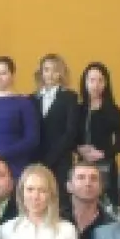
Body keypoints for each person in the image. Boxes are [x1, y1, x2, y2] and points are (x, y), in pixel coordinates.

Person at [0, 57, 40, 180]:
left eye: (3, 73)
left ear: (12, 75)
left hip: (15, 167)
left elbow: (32, 139)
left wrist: (0, 154)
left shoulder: (25, 104)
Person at [75, 62, 120, 208]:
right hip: (83, 164)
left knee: (108, 206)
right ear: (85, 82)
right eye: (92, 80)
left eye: (100, 80)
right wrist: (79, 149)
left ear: (106, 83)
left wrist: (102, 154)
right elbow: (71, 137)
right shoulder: (78, 109)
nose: (96, 85)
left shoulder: (113, 109)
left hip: (106, 165)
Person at [32, 53, 79, 193]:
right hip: (37, 158)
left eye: (55, 70)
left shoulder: (70, 97)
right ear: (41, 73)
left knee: (60, 195)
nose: (50, 74)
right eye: (46, 70)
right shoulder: (32, 98)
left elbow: (71, 131)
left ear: (61, 73)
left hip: (61, 158)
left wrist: (52, 156)